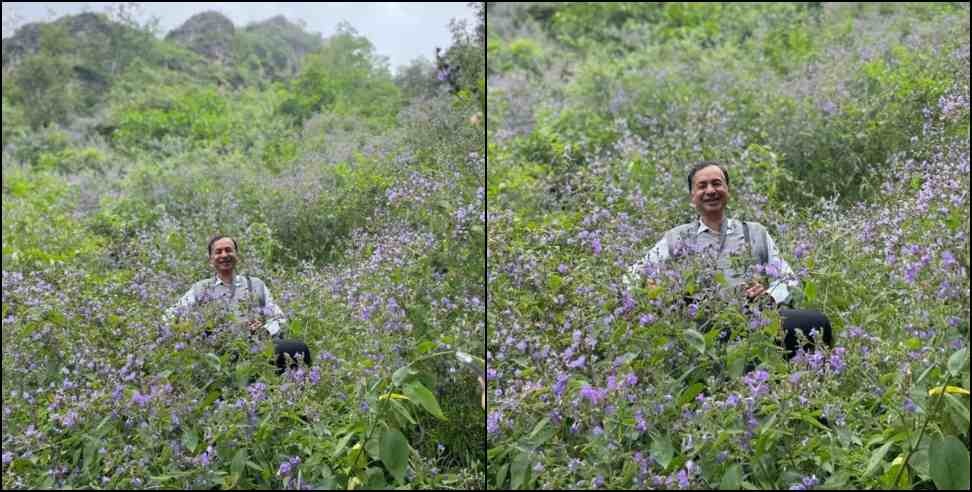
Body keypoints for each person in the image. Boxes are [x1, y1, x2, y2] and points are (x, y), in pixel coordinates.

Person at [625, 161, 832, 359]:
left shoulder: (754, 232)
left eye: (717, 183)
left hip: (755, 319)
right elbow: (632, 276)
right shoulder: (676, 238)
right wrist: (657, 291)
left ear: (727, 191)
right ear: (693, 197)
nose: (710, 191)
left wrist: (769, 295)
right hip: (702, 327)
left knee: (816, 322)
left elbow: (788, 278)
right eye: (702, 186)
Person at [165, 235, 311, 374]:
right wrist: (192, 329)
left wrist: (265, 330)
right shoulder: (200, 288)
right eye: (218, 252)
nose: (224, 255)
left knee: (299, 349)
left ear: (237, 256)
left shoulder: (255, 284)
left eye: (229, 250)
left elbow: (279, 318)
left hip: (256, 346)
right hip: (218, 351)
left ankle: (296, 389)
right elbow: (169, 316)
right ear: (211, 260)